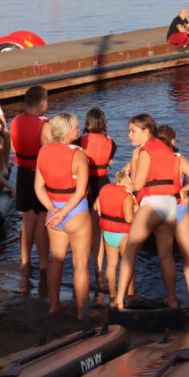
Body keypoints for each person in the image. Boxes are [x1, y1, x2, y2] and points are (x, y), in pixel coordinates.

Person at [113, 114, 189, 310]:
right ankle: (171, 299)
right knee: (166, 256)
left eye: (133, 131)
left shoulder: (144, 151)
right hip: (171, 204)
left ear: (146, 131)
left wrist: (133, 162)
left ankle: (118, 301)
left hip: (153, 203)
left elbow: (137, 184)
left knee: (130, 253)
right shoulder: (168, 151)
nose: (129, 135)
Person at [35, 113, 92, 319]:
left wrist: (54, 209)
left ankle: (54, 304)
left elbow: (38, 187)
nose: (79, 131)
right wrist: (65, 212)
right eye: (76, 128)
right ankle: (80, 312)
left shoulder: (43, 152)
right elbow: (80, 190)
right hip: (75, 211)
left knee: (56, 260)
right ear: (68, 131)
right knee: (80, 264)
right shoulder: (79, 155)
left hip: (53, 211)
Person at [155, 124, 189, 307]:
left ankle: (171, 298)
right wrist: (184, 189)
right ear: (172, 141)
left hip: (161, 208)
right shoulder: (179, 159)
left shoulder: (149, 159)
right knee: (188, 256)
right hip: (179, 206)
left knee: (166, 256)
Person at [9, 85, 52, 270]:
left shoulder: (16, 121)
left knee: (26, 218)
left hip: (22, 172)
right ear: (42, 102)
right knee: (42, 218)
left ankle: (24, 261)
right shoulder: (45, 124)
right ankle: (43, 263)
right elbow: (49, 150)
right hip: (40, 175)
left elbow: (12, 148)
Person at [80, 108, 116, 282]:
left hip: (85, 185)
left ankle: (83, 267)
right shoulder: (111, 142)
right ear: (104, 123)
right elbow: (108, 157)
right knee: (99, 232)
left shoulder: (79, 141)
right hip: (103, 185)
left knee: (86, 231)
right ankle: (99, 270)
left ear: (87, 123)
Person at [99, 169, 136, 303]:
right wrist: (137, 211)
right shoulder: (127, 196)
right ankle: (131, 295)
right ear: (128, 182)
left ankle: (112, 295)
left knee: (111, 265)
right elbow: (129, 219)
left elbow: (96, 207)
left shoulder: (105, 188)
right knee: (128, 264)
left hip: (108, 232)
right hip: (123, 233)